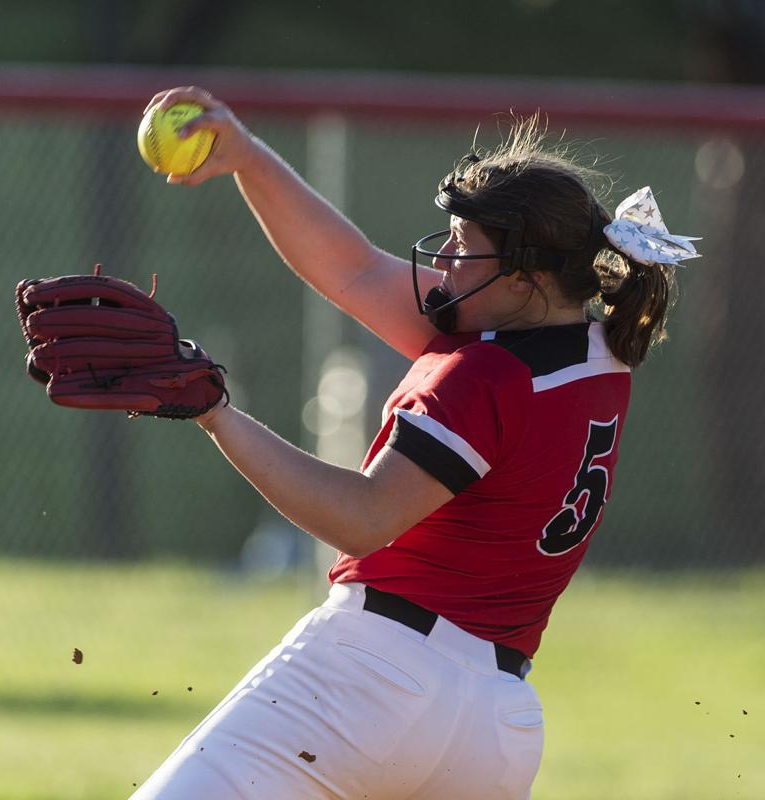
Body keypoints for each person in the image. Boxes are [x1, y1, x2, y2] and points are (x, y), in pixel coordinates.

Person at [129, 88, 700, 799]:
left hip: (368, 678)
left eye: (465, 250)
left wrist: (216, 414)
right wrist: (248, 156)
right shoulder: (598, 353)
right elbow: (355, 269)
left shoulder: (487, 373)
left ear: (525, 279)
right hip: (496, 726)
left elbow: (363, 520)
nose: (446, 263)